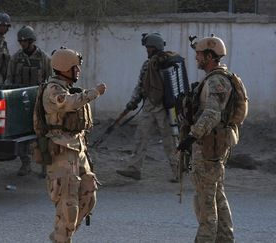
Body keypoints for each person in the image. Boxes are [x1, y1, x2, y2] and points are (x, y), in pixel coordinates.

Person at [39, 47, 106, 243]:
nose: (78, 71)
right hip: (62, 152)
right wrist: (94, 93)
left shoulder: (66, 87)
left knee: (89, 195)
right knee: (68, 207)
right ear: (64, 68)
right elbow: (68, 103)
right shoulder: (53, 90)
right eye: (75, 68)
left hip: (78, 149)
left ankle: (61, 236)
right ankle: (62, 238)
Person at [177, 35, 240, 243]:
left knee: (205, 203)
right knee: (217, 197)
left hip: (207, 149)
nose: (197, 58)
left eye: (200, 54)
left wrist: (192, 136)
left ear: (210, 56)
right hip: (212, 147)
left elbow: (212, 114)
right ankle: (225, 239)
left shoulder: (217, 81)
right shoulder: (214, 79)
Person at [116, 33, 178, 181]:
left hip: (163, 108)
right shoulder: (155, 64)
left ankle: (178, 171)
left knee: (169, 140)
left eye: (149, 48)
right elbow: (142, 85)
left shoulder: (163, 64)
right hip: (154, 106)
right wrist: (133, 103)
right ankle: (134, 168)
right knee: (141, 137)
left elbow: (141, 86)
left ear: (155, 48)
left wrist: (133, 102)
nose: (147, 50)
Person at [6, 25, 52, 176]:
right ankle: (25, 163)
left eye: (25, 41)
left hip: (38, 103)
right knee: (21, 135)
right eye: (20, 41)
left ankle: (44, 166)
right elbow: (9, 80)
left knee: (42, 135)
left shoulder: (44, 58)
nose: (22, 44)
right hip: (21, 103)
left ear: (31, 41)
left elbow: (50, 80)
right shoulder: (16, 58)